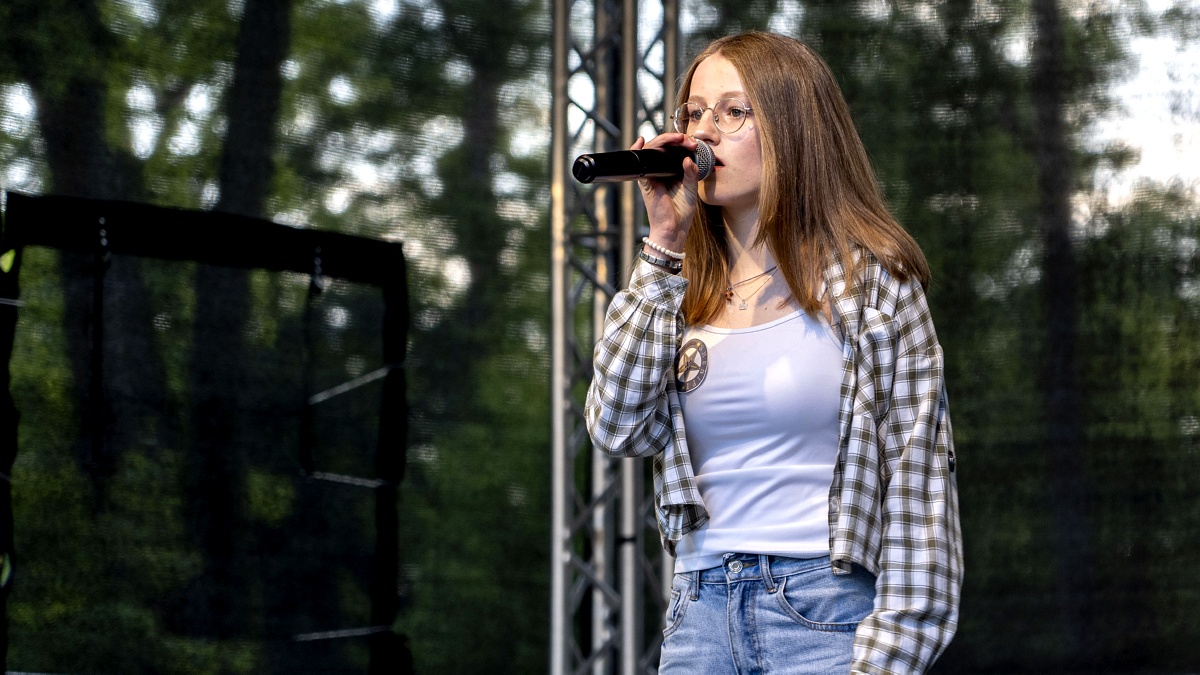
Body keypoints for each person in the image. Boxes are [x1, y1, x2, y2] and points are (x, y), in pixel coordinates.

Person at [584, 31, 962, 674]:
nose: (704, 133)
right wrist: (664, 247)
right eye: (693, 113)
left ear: (793, 129)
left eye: (734, 112)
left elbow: (919, 489)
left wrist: (887, 660)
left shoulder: (872, 286)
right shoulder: (680, 288)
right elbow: (616, 425)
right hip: (699, 619)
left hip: (824, 615)